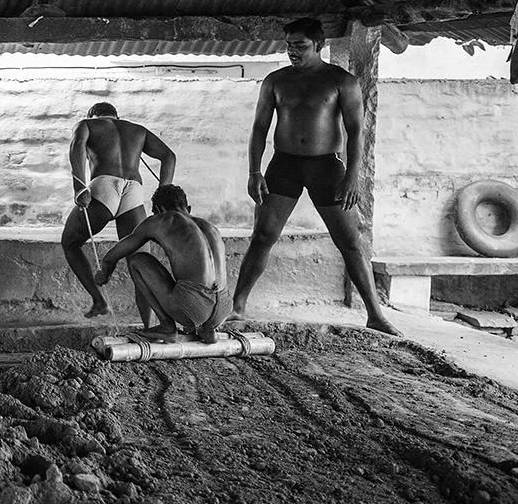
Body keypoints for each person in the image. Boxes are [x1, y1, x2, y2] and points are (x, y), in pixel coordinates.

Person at [229, 17, 399, 335]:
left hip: (326, 167)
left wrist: (353, 176)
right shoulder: (275, 81)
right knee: (262, 236)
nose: (293, 51)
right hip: (284, 165)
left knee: (349, 240)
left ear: (319, 45)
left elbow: (356, 132)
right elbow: (259, 129)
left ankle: (375, 314)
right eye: (289, 46)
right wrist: (254, 171)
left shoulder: (341, 81)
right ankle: (238, 306)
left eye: (301, 46)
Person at [62, 102, 176, 319]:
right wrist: (162, 194)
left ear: (93, 114)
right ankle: (149, 328)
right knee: (139, 263)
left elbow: (77, 145)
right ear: (117, 116)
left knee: (70, 242)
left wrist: (80, 186)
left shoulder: (87, 124)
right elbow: (169, 156)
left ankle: (99, 301)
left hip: (104, 185)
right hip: (134, 190)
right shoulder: (137, 130)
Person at [93, 184, 230, 343]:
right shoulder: (211, 227)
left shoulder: (161, 220)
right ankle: (208, 328)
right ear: (188, 208)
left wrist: (105, 273)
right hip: (223, 307)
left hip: (194, 306)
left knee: (138, 260)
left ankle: (166, 327)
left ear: (158, 210)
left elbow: (114, 255)